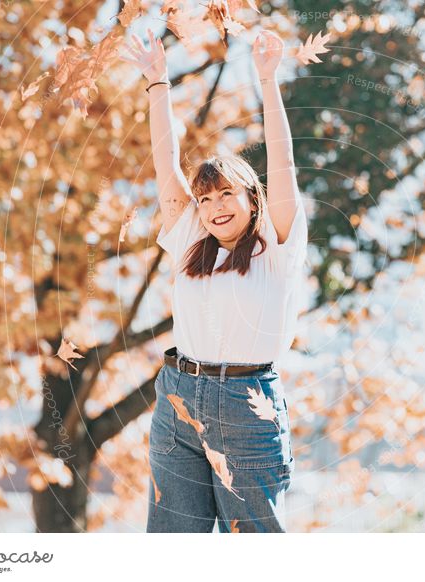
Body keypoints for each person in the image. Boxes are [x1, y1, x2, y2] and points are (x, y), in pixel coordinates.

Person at [120, 28, 308, 533]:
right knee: (172, 540)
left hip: (248, 405)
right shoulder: (190, 242)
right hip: (179, 394)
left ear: (252, 198)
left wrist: (267, 80)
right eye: (205, 200)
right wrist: (158, 84)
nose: (214, 207)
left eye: (225, 195)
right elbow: (165, 163)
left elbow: (283, 163)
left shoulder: (277, 246)